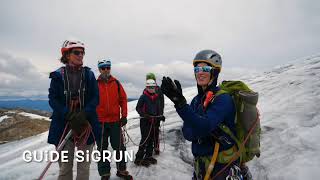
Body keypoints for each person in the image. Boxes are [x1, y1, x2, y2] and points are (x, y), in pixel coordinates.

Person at [161, 50, 252, 179]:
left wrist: (180, 104)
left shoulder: (223, 99)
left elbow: (204, 126)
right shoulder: (196, 100)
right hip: (201, 167)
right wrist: (197, 128)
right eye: (197, 69)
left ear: (214, 71)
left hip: (222, 168)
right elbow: (187, 133)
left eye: (205, 68)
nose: (200, 72)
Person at [48, 39, 101, 180]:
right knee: (65, 168)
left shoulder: (89, 75)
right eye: (76, 52)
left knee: (84, 166)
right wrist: (68, 114)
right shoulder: (57, 75)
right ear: (67, 55)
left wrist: (84, 113)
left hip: (85, 125)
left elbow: (96, 97)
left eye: (82, 53)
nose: (80, 55)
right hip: (63, 126)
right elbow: (53, 99)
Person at [96, 59, 132, 180]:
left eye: (108, 67)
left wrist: (124, 116)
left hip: (115, 121)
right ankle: (105, 174)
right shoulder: (95, 84)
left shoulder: (116, 83)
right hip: (100, 122)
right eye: (103, 68)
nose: (106, 70)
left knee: (120, 147)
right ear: (99, 69)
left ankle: (121, 170)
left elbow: (123, 99)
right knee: (102, 149)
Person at [134, 78, 164, 167]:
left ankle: (148, 156)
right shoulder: (143, 97)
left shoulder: (156, 97)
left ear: (155, 87)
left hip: (154, 121)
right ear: (146, 87)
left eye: (152, 87)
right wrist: (144, 115)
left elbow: (158, 108)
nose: (151, 88)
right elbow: (138, 108)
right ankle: (138, 158)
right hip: (145, 121)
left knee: (151, 139)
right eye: (149, 87)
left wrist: (160, 116)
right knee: (145, 139)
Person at [145, 73, 165, 155]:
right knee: (155, 131)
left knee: (153, 131)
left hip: (154, 115)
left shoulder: (147, 89)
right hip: (154, 114)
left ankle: (154, 147)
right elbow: (162, 102)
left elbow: (160, 102)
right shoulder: (158, 89)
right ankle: (155, 147)